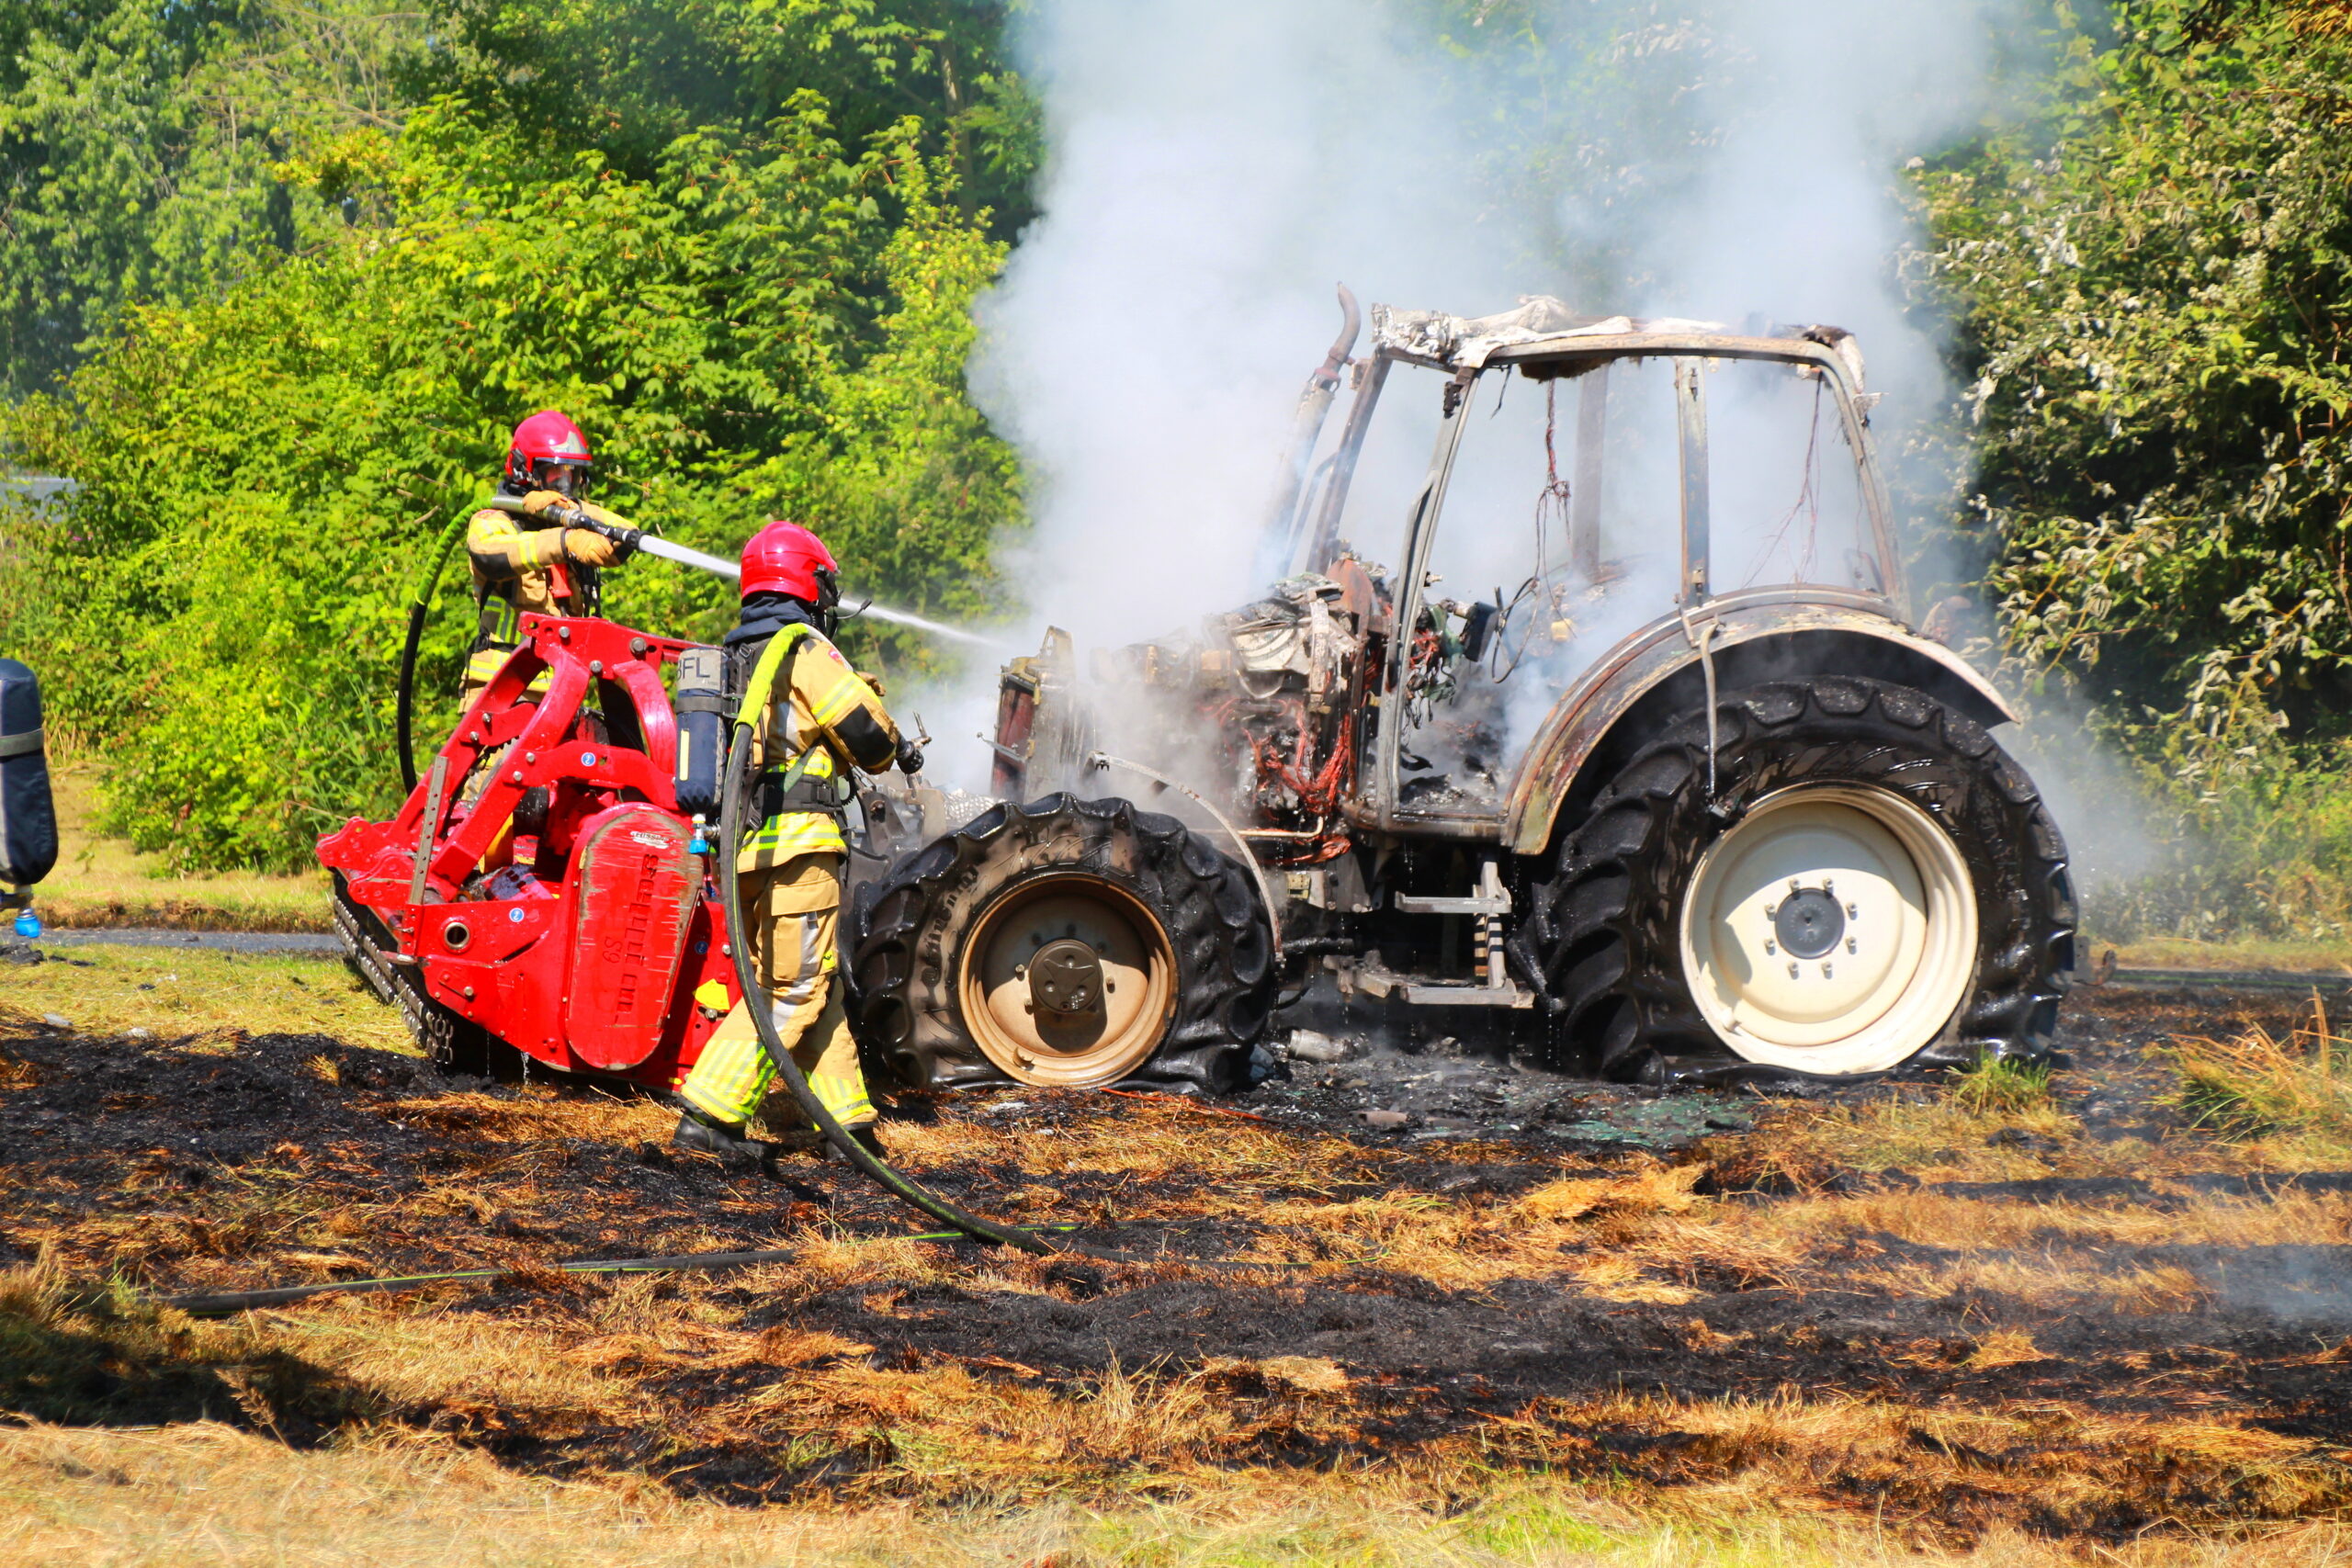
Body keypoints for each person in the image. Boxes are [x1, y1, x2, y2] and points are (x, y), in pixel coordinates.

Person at [673, 519, 923, 1166]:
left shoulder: (735, 657)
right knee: (793, 991)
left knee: (814, 986)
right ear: (808, 584)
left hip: (751, 855)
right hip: (800, 851)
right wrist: (881, 715)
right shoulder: (804, 650)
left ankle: (847, 1126)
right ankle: (710, 1114)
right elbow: (867, 738)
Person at [463, 411, 629, 693]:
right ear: (525, 472)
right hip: (502, 691)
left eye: (572, 476)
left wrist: (575, 511)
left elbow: (625, 536)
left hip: (563, 690)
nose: (564, 486)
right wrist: (565, 541)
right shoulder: (492, 521)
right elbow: (491, 557)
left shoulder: (573, 520)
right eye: (555, 474)